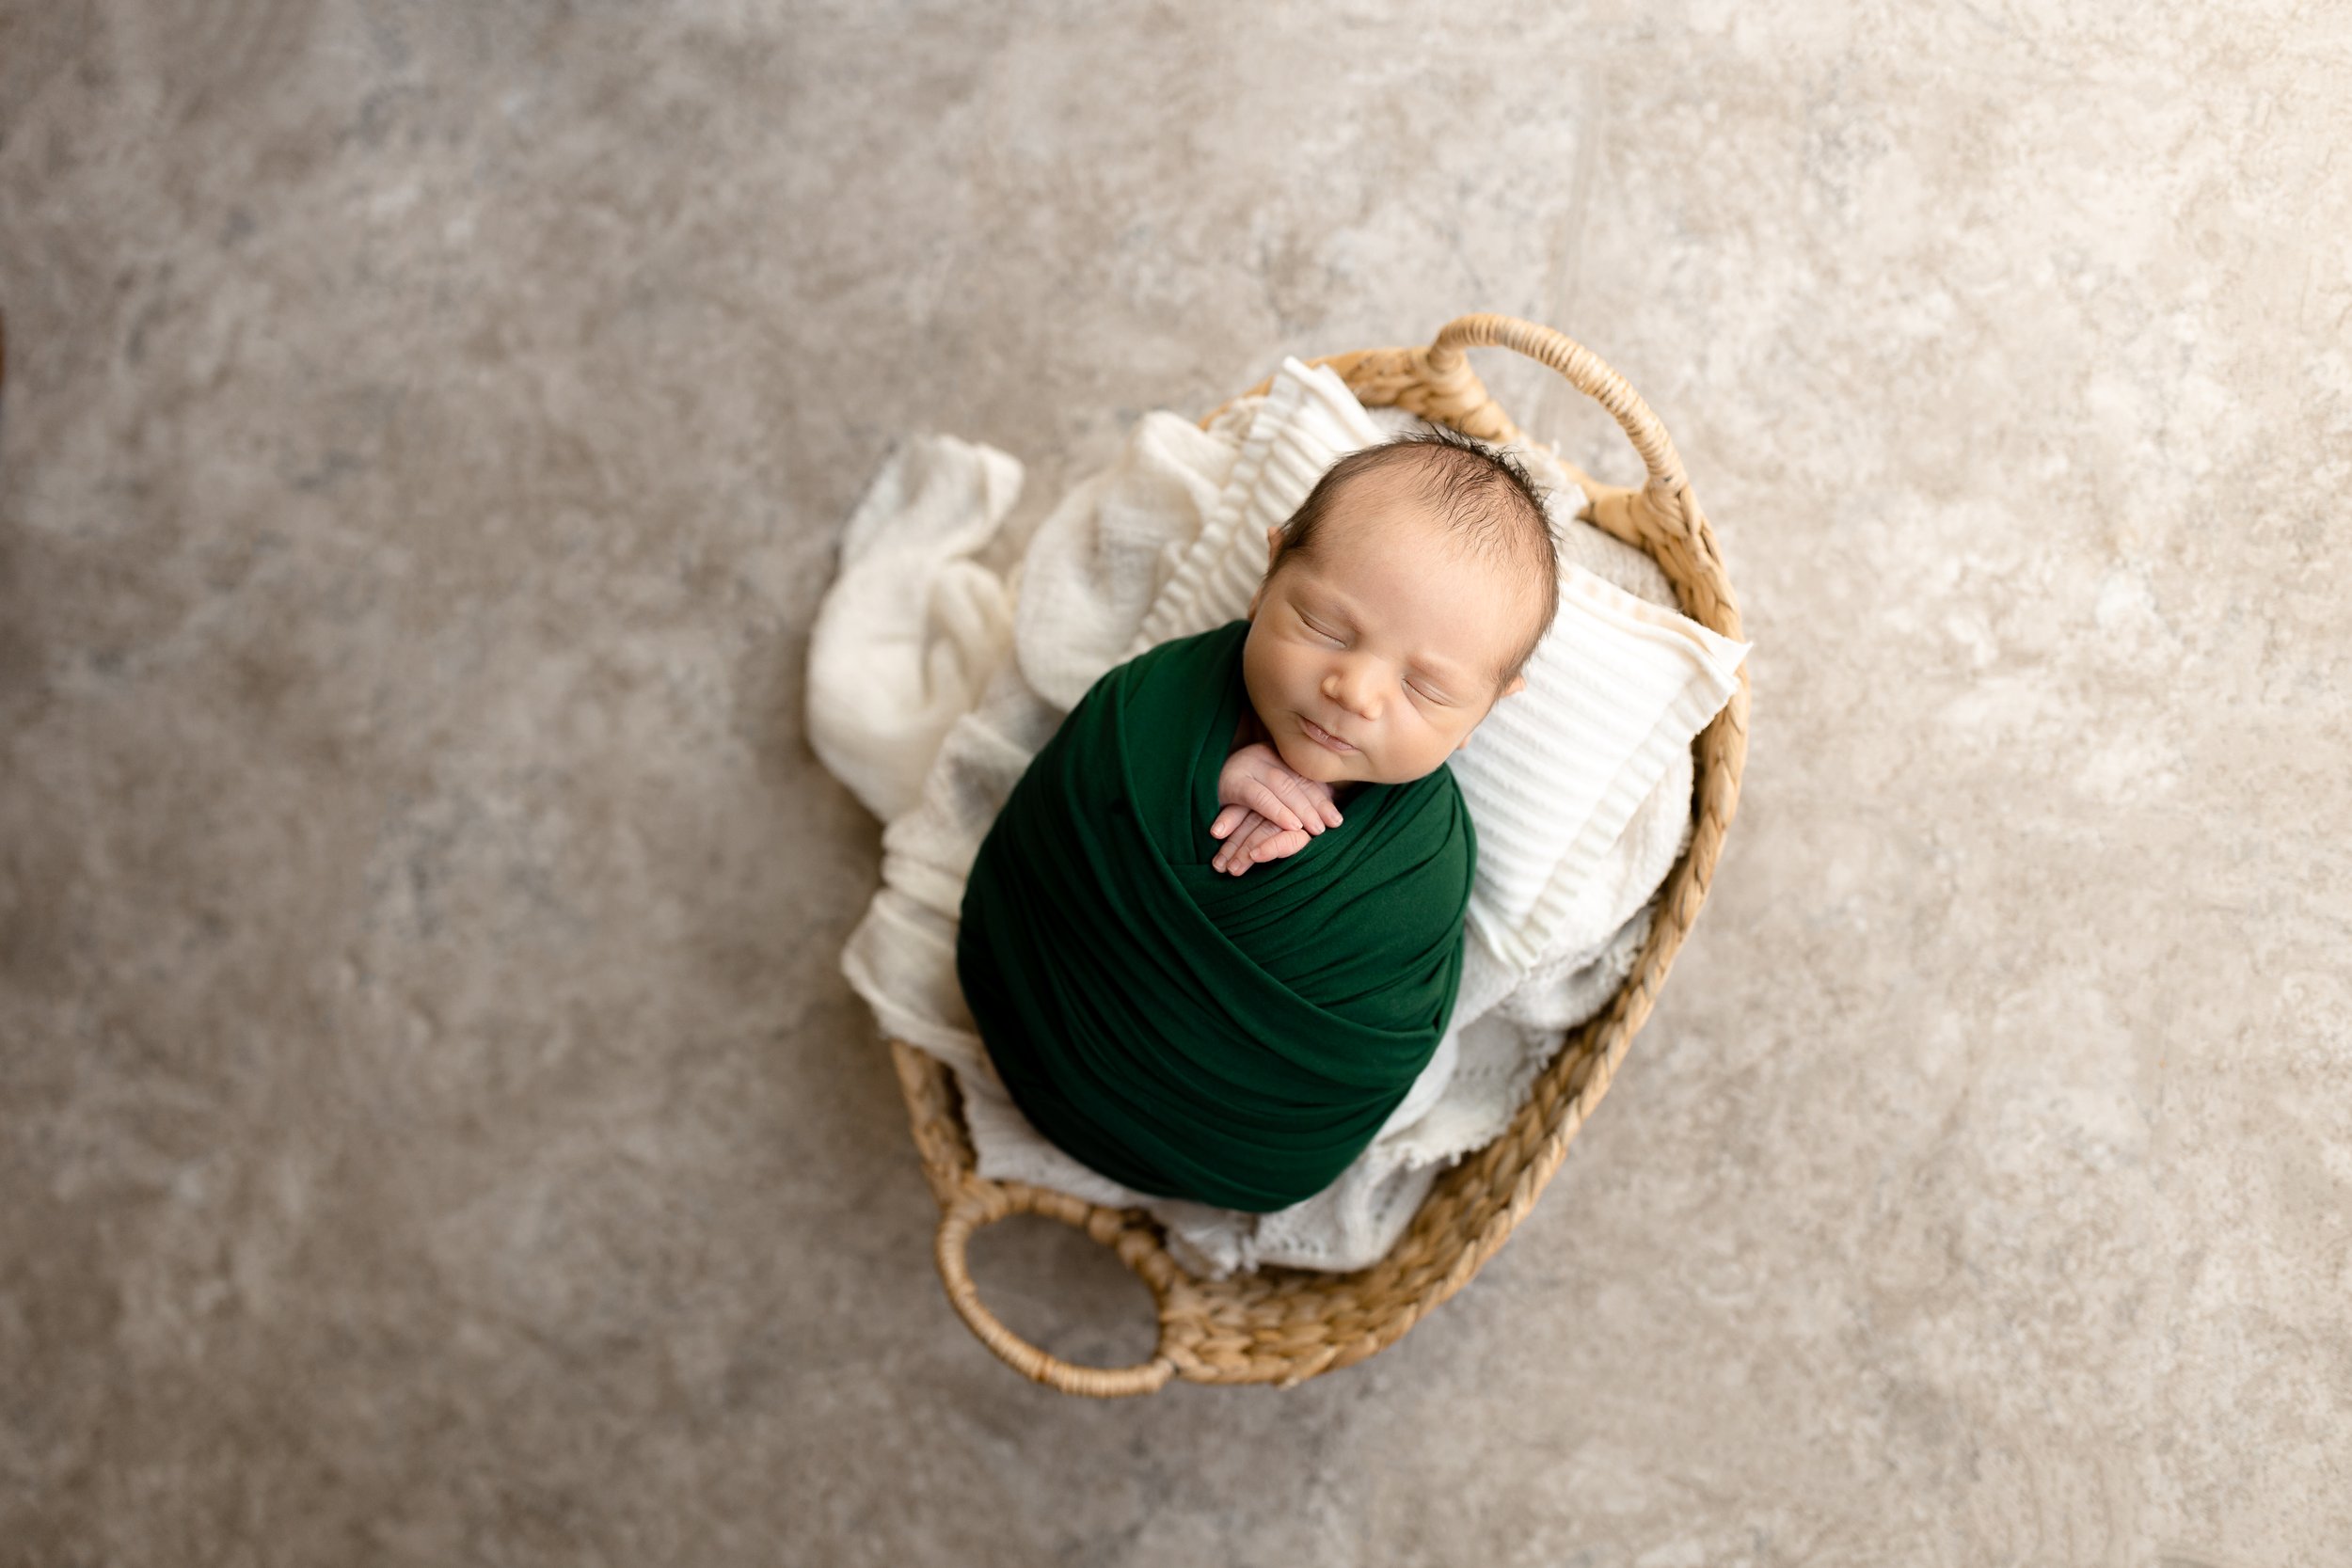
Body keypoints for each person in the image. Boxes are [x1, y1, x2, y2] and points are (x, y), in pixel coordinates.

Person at [955, 427, 1561, 1212]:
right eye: (1328, 630)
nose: (1356, 690)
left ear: (1485, 708)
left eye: (1428, 690)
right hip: (1032, 1018)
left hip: (1234, 1142)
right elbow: (1085, 780)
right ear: (1269, 574)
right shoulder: (1159, 699)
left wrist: (1311, 876)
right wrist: (1201, 778)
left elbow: (1382, 1016)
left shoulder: (1424, 860)